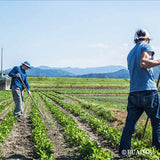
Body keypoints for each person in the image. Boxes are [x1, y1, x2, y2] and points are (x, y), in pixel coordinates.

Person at [119, 29, 160, 157]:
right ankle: (157, 152)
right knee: (157, 122)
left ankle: (124, 152)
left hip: (134, 92)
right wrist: (159, 61)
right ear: (147, 38)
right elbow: (144, 63)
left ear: (135, 39)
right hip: (148, 92)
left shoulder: (130, 53)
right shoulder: (146, 46)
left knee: (130, 124)